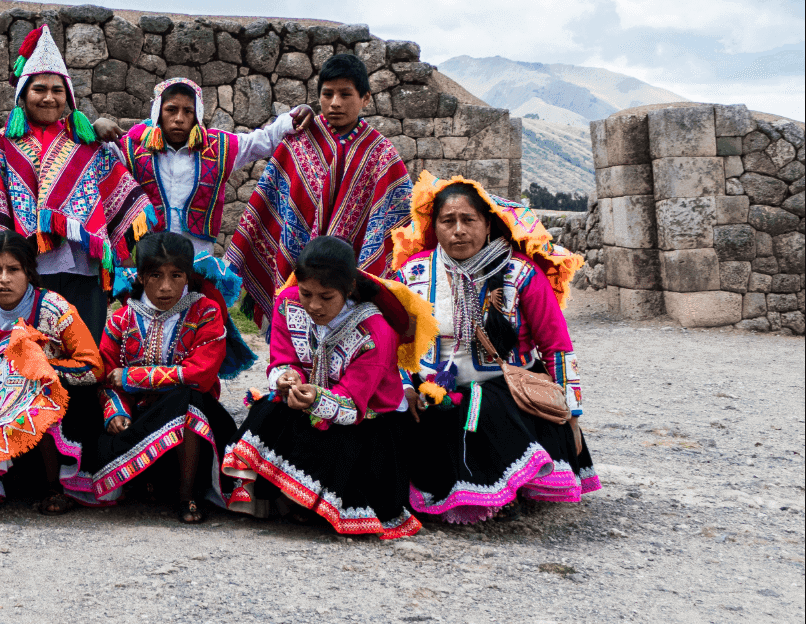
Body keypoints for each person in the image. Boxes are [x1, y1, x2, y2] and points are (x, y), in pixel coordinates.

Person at [392, 172, 597, 523]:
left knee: (487, 406)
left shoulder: (521, 275)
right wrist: (406, 387)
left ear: (487, 225)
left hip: (509, 393)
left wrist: (573, 416)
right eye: (448, 221)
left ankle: (503, 486)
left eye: (468, 220)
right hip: (430, 393)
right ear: (434, 227)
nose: (459, 230)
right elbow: (390, 343)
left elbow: (557, 347)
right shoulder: (411, 276)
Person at [0, 25, 151, 338]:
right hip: (28, 270)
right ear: (23, 95)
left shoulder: (86, 140)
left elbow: (119, 176)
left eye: (57, 90)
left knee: (84, 348)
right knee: (33, 352)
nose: (49, 98)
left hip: (84, 265)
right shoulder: (2, 143)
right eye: (39, 89)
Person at [220, 236, 432, 539]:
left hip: (366, 420)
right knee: (267, 412)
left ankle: (309, 502)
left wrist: (315, 398)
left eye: (326, 297)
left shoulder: (376, 330)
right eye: (306, 293)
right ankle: (289, 498)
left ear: (348, 290)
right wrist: (287, 378)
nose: (314, 305)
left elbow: (353, 403)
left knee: (338, 440)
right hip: (312, 402)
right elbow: (284, 359)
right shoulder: (287, 303)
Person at [226, 53, 413, 324]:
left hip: (353, 286)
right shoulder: (298, 142)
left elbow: (400, 224)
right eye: (327, 94)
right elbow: (271, 203)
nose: (335, 103)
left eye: (346, 94)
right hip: (297, 275)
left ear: (366, 98)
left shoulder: (381, 155)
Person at [85, 232, 257, 523]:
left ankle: (187, 494)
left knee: (187, 398)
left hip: (196, 420)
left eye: (176, 276)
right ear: (139, 277)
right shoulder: (121, 319)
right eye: (155, 276)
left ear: (188, 276)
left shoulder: (206, 312)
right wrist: (115, 411)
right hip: (140, 416)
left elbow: (198, 375)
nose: (166, 287)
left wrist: (132, 376)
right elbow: (105, 374)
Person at [0, 230, 104, 516]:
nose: (4, 279)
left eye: (14, 269)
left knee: (30, 381)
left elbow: (92, 367)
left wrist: (39, 368)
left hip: (56, 404)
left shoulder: (55, 309)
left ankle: (54, 486)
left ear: (29, 272)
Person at [108, 78, 312, 254]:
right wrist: (97, 128)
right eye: (171, 109)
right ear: (158, 113)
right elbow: (98, 154)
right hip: (150, 253)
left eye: (188, 111)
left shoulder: (219, 147)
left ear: (197, 115)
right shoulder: (133, 148)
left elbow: (264, 140)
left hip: (198, 258)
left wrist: (293, 118)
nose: (179, 118)